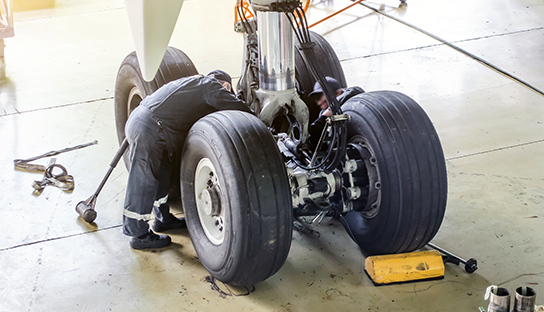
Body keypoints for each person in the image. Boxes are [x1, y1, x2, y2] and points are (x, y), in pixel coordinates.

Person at [123, 70, 253, 250]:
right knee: (144, 180)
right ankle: (138, 234)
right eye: (227, 89)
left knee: (163, 175)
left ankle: (162, 220)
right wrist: (257, 121)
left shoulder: (193, 85)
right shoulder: (210, 85)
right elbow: (235, 107)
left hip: (152, 126)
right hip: (149, 128)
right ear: (225, 85)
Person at [307, 76, 365, 148]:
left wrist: (331, 109)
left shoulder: (351, 98)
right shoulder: (323, 115)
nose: (323, 107)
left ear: (338, 93)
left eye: (325, 101)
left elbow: (356, 90)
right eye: (320, 105)